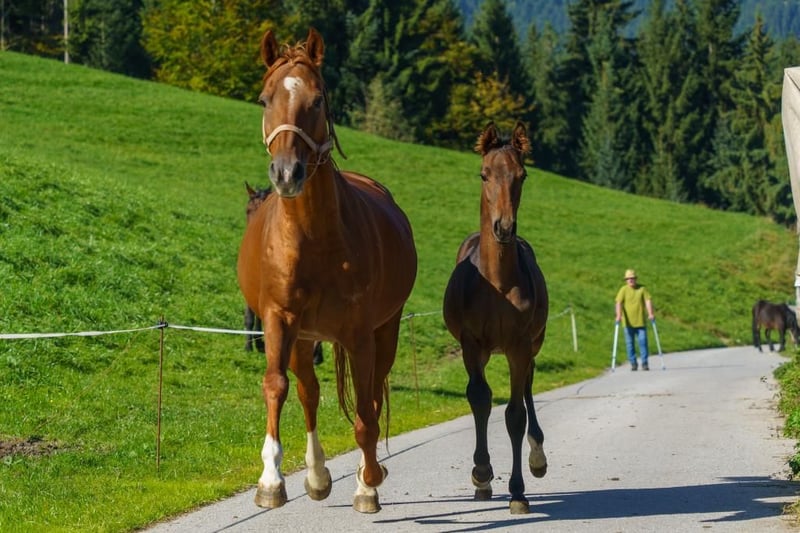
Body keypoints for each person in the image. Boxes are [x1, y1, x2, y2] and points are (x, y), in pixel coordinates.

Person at [615, 269, 655, 371]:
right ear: (626, 280)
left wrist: (650, 313)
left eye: (632, 278)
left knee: (643, 342)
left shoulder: (642, 289)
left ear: (635, 279)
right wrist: (618, 315)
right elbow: (619, 302)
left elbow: (648, 300)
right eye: (628, 279)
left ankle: (644, 363)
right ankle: (633, 363)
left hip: (640, 322)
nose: (631, 280)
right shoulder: (623, 290)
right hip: (628, 323)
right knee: (630, 344)